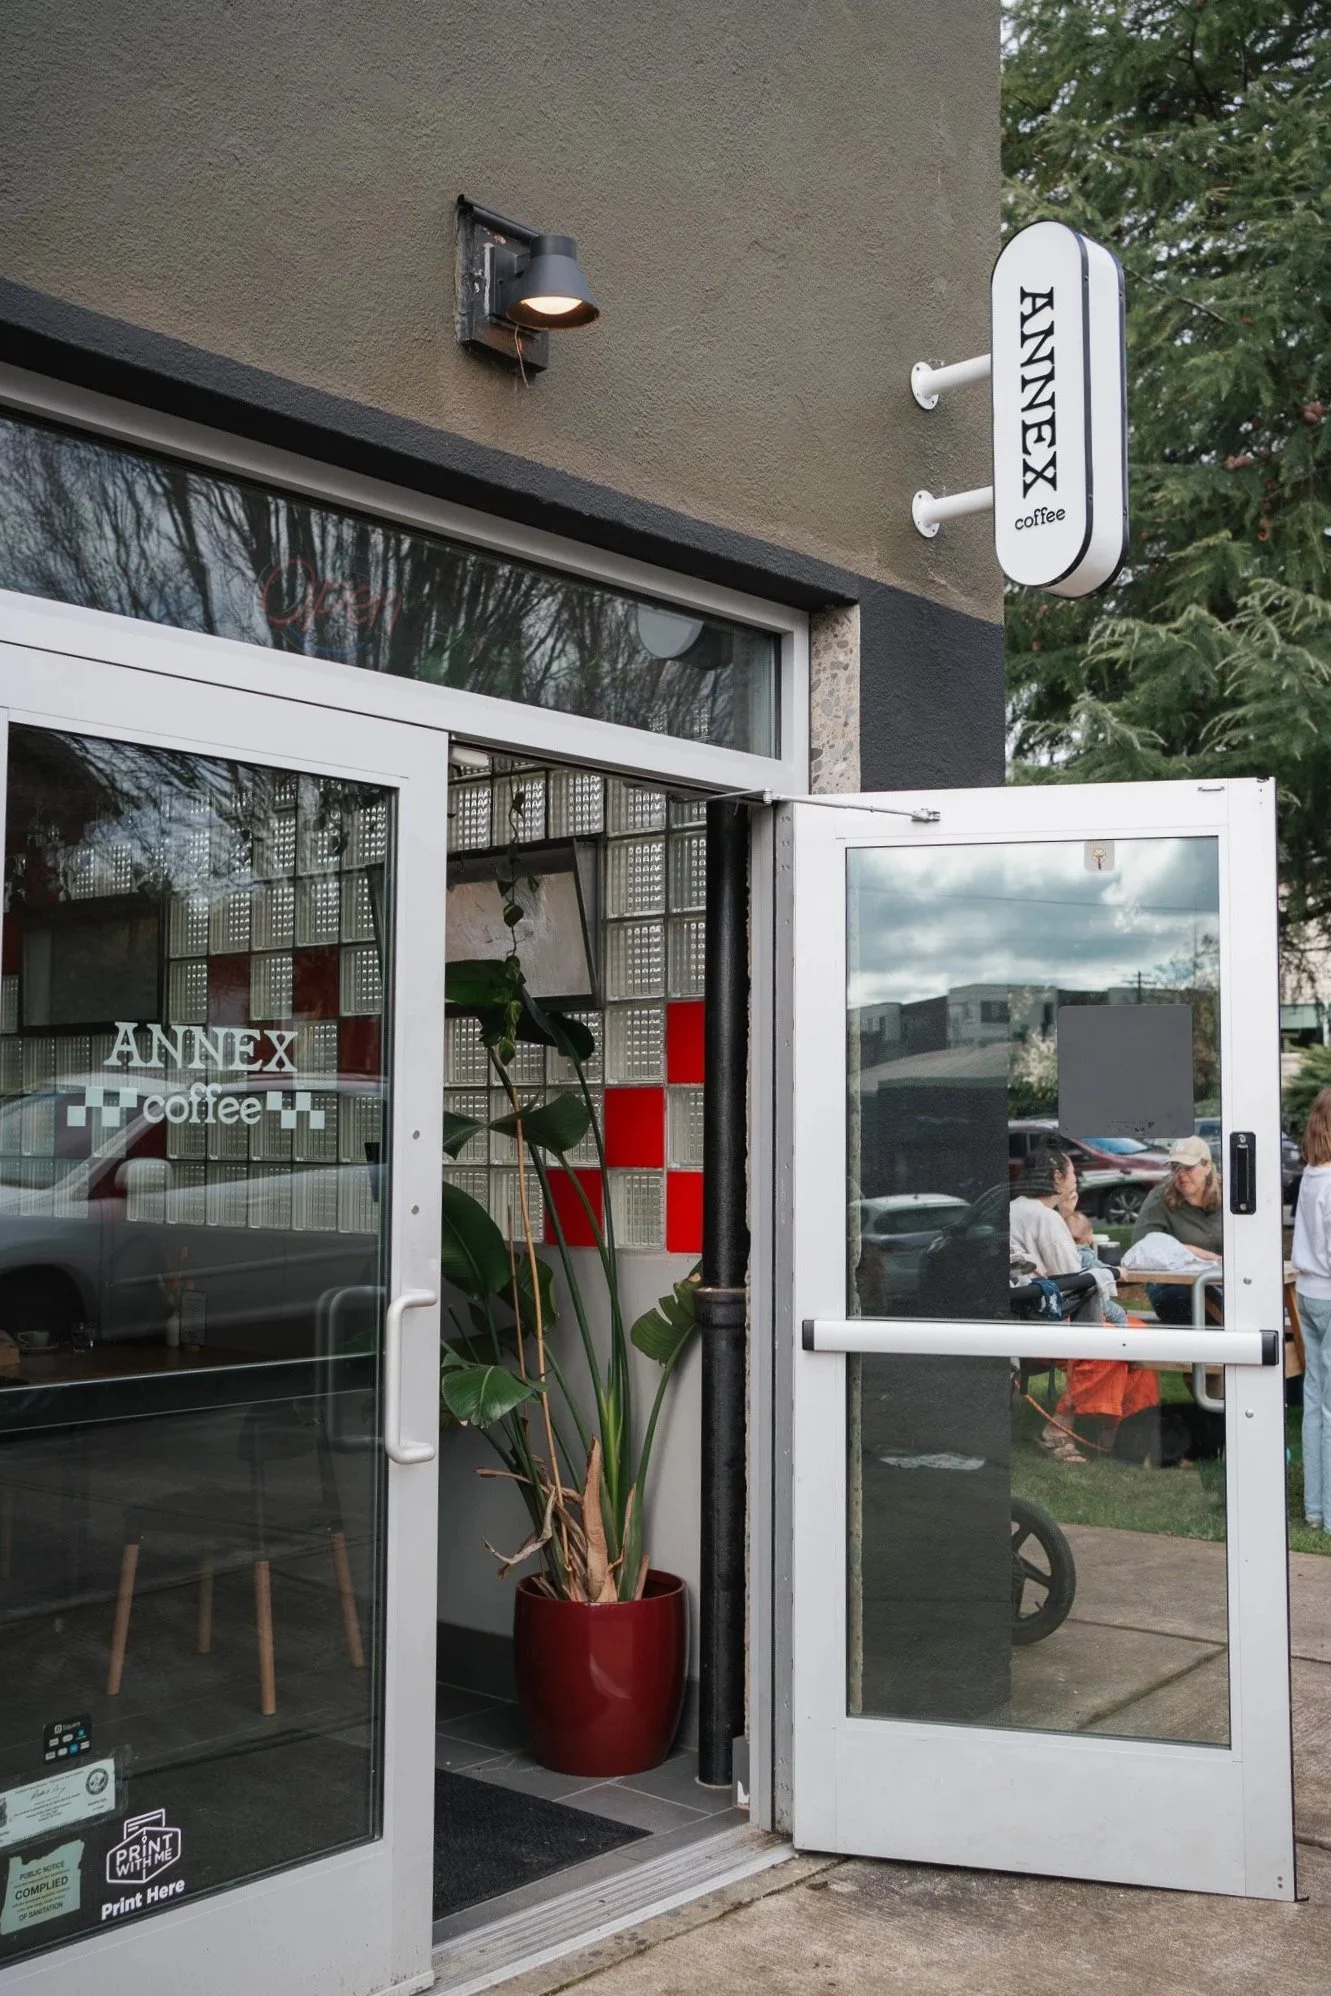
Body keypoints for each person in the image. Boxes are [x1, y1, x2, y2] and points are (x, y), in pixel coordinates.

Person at [1130, 1135, 1223, 1325]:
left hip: (1225, 1282)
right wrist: (1200, 1254)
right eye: (1175, 1167)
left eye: (1188, 1167)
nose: (1181, 1174)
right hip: (1172, 1284)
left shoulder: (1231, 1194)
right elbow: (1141, 1249)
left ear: (1207, 1166)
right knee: (1182, 1301)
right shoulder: (1161, 1196)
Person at [1293, 1087, 1331, 1534]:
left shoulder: (1311, 1174)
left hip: (1307, 1292)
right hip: (1327, 1294)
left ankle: (1315, 1509)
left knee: (1315, 1405)